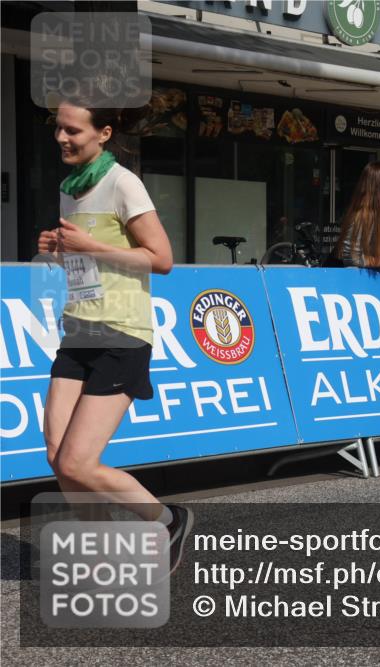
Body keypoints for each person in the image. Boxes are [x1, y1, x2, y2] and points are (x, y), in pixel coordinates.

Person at [37, 96, 191, 572]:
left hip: (122, 332)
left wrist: (90, 245)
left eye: (73, 131)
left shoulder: (124, 183)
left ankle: (167, 521)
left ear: (103, 134)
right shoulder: (70, 188)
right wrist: (58, 251)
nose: (62, 138)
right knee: (58, 457)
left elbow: (161, 259)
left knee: (80, 462)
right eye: (59, 129)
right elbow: (88, 261)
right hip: (79, 327)